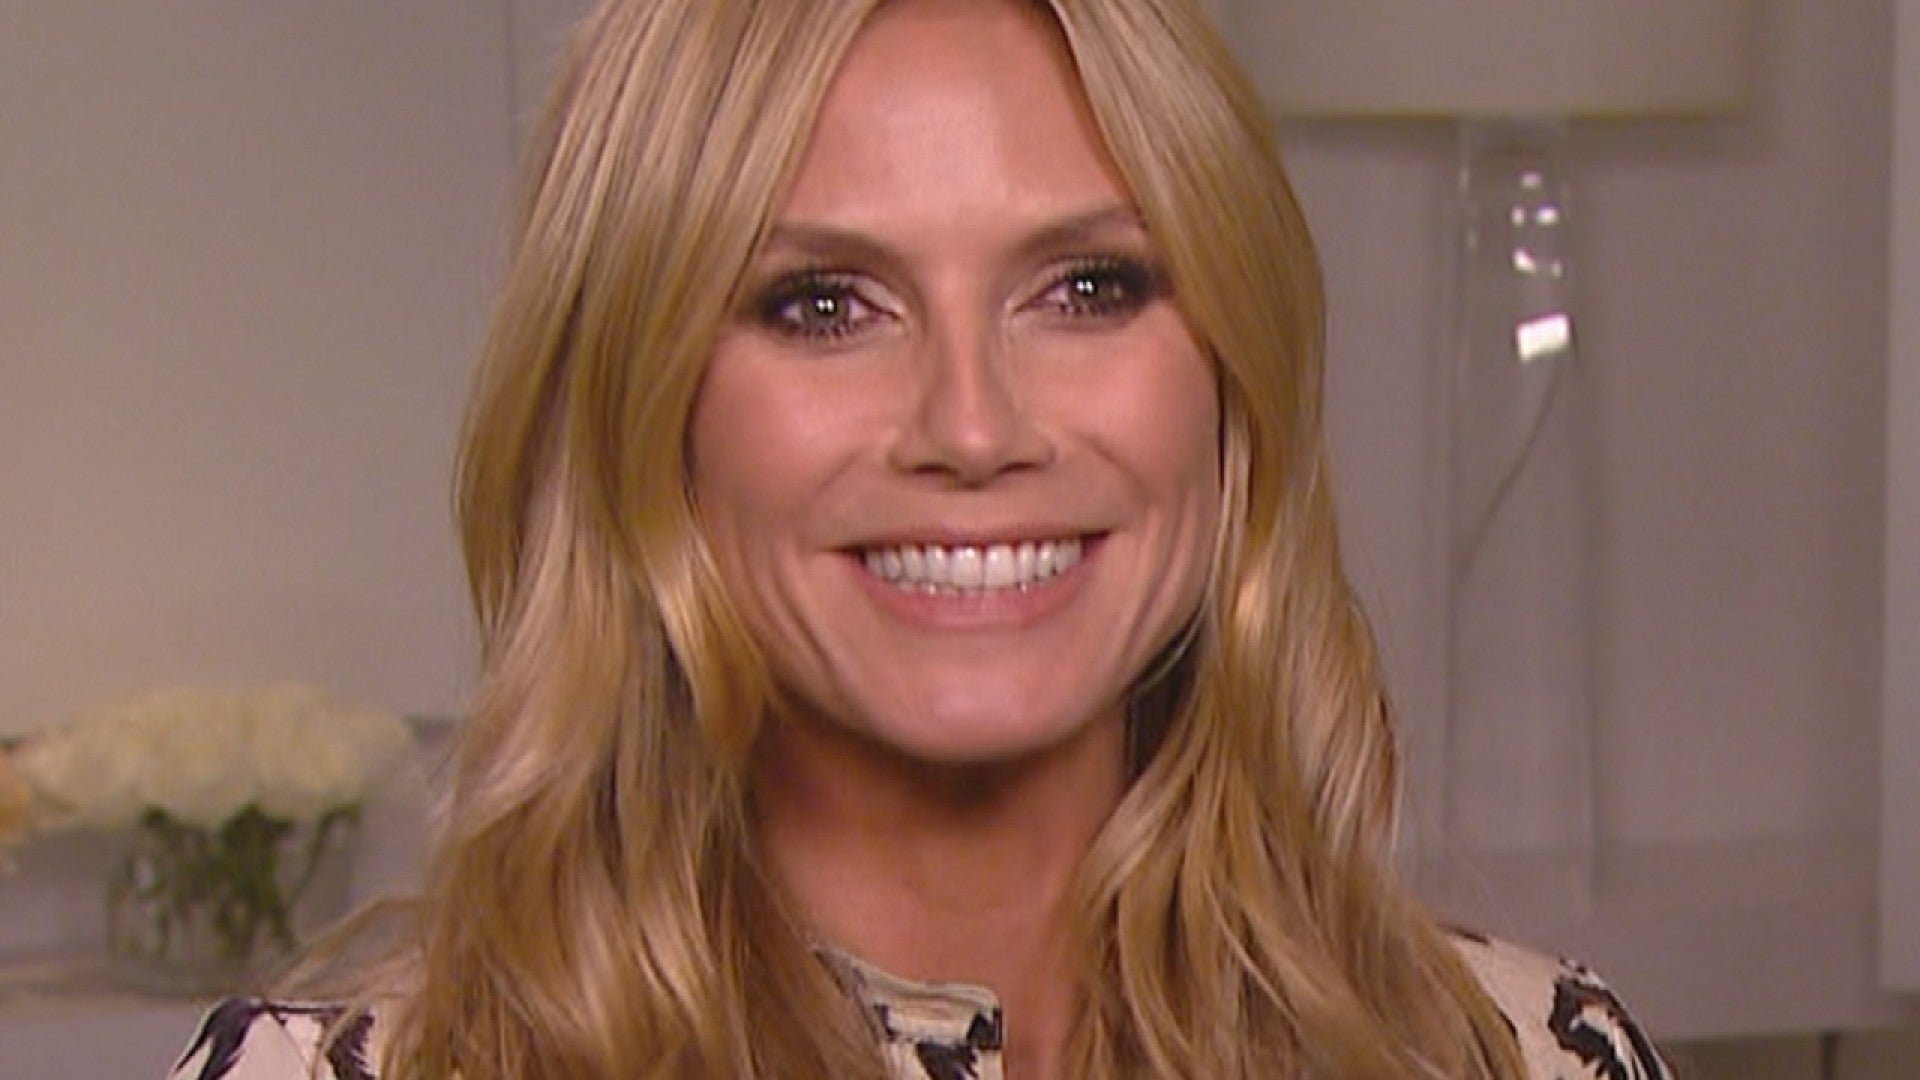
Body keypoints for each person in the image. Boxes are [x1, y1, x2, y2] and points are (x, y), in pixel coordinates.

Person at [169, 0, 1671, 1077]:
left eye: (1087, 288)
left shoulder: (1522, 1054)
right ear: (643, 409)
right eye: (825, 305)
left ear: (1230, 379)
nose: (971, 424)